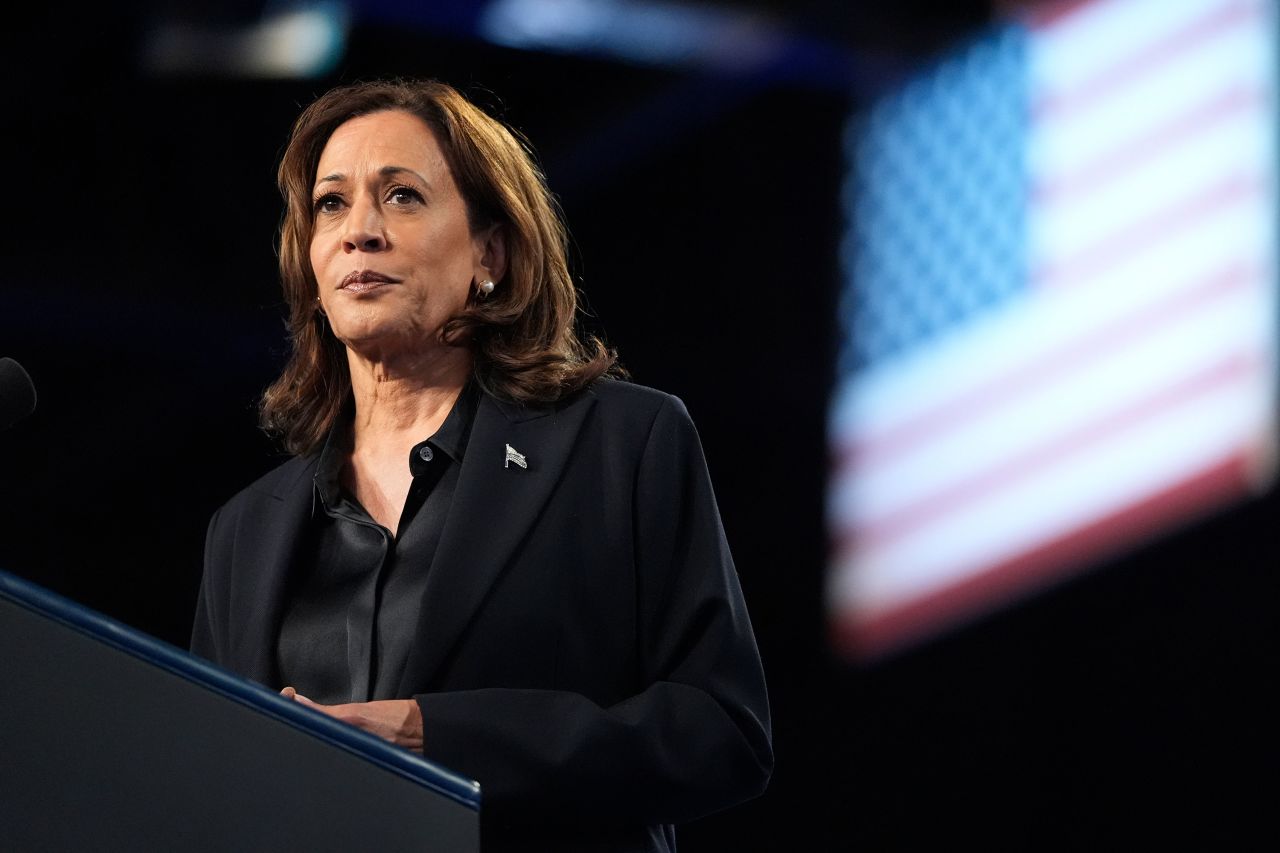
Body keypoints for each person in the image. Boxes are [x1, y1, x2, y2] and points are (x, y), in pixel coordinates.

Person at [191, 78, 772, 851]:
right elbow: (200, 785)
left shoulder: (621, 445)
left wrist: (434, 737)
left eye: (400, 196)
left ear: (489, 253)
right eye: (331, 204)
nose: (358, 230)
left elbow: (720, 732)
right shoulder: (244, 532)